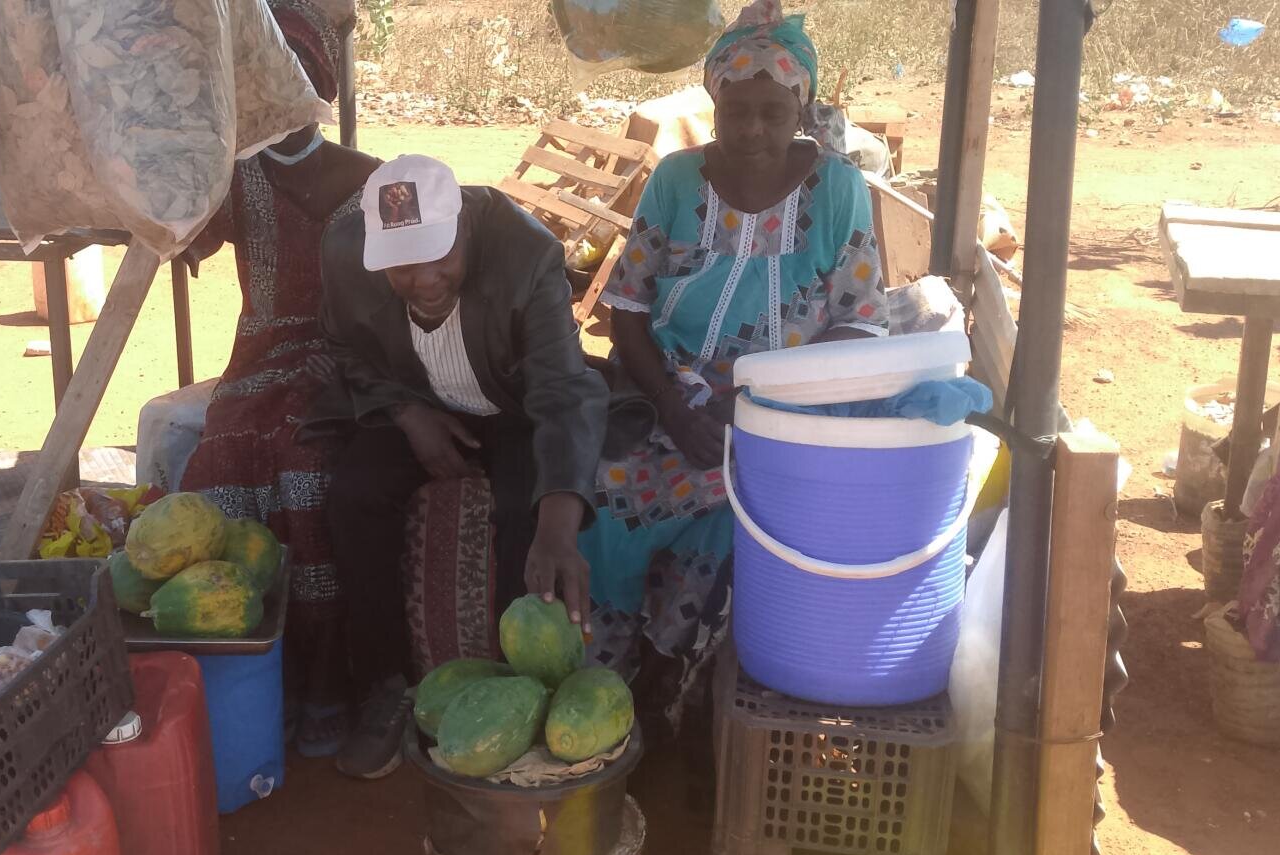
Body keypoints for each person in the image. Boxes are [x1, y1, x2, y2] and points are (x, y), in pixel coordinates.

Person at [575, 0, 889, 731]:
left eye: (772, 113)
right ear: (713, 101)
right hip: (671, 394)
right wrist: (678, 409)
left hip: (792, 409)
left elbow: (860, 322)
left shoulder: (840, 190)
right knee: (609, 484)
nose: (752, 129)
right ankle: (604, 671)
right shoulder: (677, 180)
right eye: (736, 110)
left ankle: (669, 679)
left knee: (742, 507)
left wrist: (758, 408)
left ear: (800, 108)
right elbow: (626, 308)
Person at [315, 155, 610, 779]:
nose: (423, 280)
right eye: (402, 265)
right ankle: (383, 687)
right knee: (354, 495)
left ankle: (514, 699)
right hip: (417, 399)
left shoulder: (527, 253)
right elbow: (343, 346)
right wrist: (405, 414)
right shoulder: (347, 252)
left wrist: (559, 527)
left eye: (438, 256)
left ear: (464, 227)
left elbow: (560, 388)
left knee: (520, 505)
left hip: (514, 405)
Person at [177, 0, 381, 759]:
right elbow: (180, 237)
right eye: (269, 82)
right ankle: (260, 671)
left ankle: (326, 678)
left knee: (307, 468)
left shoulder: (372, 179)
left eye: (297, 80)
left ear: (320, 85)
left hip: (348, 363)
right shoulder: (237, 180)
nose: (281, 102)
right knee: (219, 465)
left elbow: (405, 298)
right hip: (257, 359)